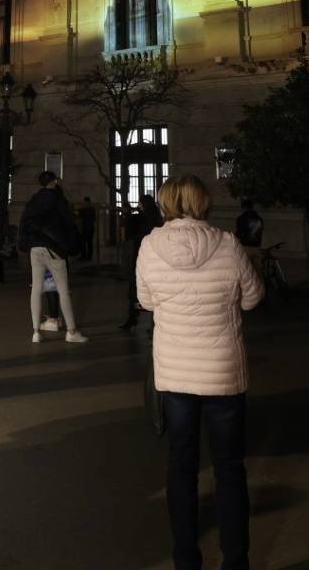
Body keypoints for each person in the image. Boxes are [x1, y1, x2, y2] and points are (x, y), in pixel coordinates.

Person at [136, 174, 264, 570]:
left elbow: (146, 301)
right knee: (229, 468)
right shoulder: (227, 244)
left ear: (166, 203)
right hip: (222, 371)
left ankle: (186, 559)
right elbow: (253, 297)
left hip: (175, 374)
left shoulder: (149, 246)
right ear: (204, 202)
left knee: (182, 465)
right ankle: (235, 560)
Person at [18, 171, 87, 344]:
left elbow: (24, 223)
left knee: (36, 289)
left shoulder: (34, 200)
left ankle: (35, 332)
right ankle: (71, 331)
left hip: (35, 249)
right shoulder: (59, 200)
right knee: (63, 291)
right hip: (54, 250)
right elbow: (69, 224)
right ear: (55, 182)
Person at [120, 192, 162, 331]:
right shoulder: (155, 219)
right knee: (146, 292)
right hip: (150, 261)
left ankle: (134, 319)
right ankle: (141, 321)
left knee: (137, 291)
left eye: (140, 203)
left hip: (142, 259)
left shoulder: (146, 220)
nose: (138, 206)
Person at [80, 196, 96, 260]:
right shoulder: (86, 209)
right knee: (83, 243)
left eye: (85, 202)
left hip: (89, 228)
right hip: (86, 228)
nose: (84, 203)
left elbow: (93, 219)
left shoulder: (91, 209)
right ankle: (84, 256)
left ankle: (88, 257)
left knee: (89, 243)